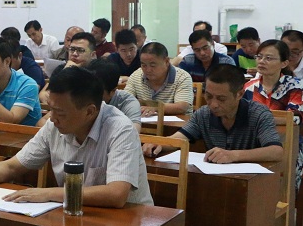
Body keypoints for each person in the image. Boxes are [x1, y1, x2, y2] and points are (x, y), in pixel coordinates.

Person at [0, 67, 153, 207]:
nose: (52, 118)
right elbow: (12, 166)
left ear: (90, 111)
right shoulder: (54, 126)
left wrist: (48, 193)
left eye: (60, 113)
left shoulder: (120, 129)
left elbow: (116, 194)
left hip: (130, 220)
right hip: (75, 211)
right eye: (51, 110)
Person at [144, 64, 284, 165]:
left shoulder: (258, 114)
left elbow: (276, 151)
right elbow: (179, 139)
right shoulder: (204, 114)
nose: (213, 104)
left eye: (221, 99)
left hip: (253, 183)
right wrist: (159, 144)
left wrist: (233, 155)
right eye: (209, 96)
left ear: (239, 94)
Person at [243, 39, 303, 189]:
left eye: (269, 58)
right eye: (259, 56)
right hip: (254, 143)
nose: (262, 61)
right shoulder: (249, 87)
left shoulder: (295, 86)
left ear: (284, 63)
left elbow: (293, 118)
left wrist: (258, 118)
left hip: (287, 144)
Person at [124, 42, 193, 115]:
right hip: (145, 121)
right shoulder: (136, 75)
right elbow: (125, 100)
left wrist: (155, 108)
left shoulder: (182, 77)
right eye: (144, 65)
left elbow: (181, 107)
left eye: (153, 65)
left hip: (177, 121)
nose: (148, 70)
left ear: (166, 61)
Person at [39, 32, 95, 104]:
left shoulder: (96, 71)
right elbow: (46, 93)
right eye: (72, 49)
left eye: (80, 50)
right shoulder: (61, 68)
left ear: (92, 55)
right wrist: (66, 70)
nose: (74, 54)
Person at [87, 61, 141, 131]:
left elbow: (134, 132)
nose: (90, 95)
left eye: (96, 92)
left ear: (113, 91)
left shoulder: (127, 102)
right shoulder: (79, 97)